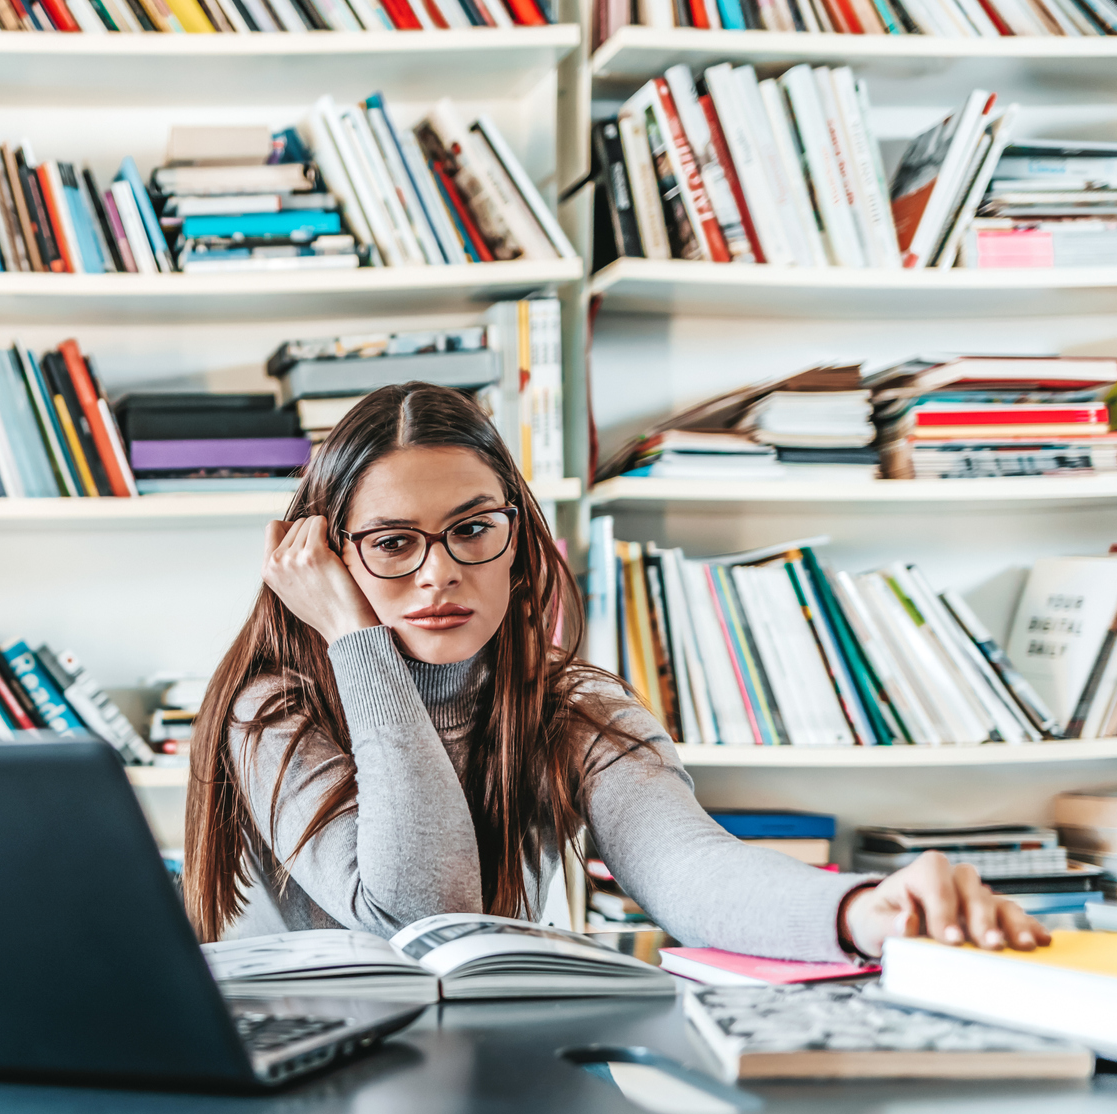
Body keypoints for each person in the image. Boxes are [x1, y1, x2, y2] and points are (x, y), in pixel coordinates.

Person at [183, 382, 1050, 963]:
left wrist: (863, 911)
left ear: (519, 540)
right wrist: (351, 639)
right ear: (329, 557)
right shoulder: (275, 709)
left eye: (472, 529)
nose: (439, 573)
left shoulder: (572, 706)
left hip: (491, 1070)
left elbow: (687, 868)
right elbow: (420, 911)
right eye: (392, 542)